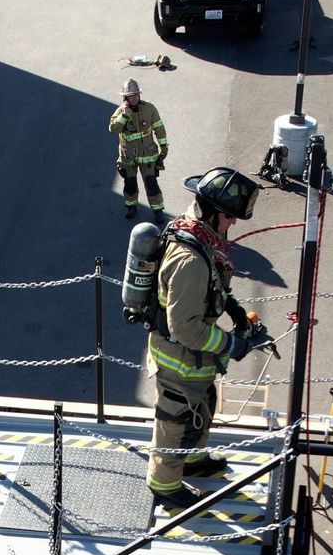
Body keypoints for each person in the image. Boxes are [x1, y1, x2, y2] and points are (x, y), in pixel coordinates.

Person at [144, 167, 267, 508]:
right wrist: (231, 344)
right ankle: (165, 483)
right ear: (212, 213)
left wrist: (234, 309)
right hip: (179, 360)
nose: (234, 224)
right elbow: (185, 327)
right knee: (176, 418)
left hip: (194, 360)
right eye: (230, 217)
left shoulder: (199, 238)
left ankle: (194, 458)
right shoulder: (189, 260)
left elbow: (212, 286)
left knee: (203, 403)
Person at [109, 79, 169, 220]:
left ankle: (158, 211)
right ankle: (131, 207)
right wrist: (124, 116)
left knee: (151, 184)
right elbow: (113, 128)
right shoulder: (120, 112)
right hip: (128, 158)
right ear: (125, 97)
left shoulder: (149, 108)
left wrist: (164, 147)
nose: (134, 98)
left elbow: (159, 128)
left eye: (136, 94)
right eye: (131, 95)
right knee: (130, 184)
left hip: (147, 156)